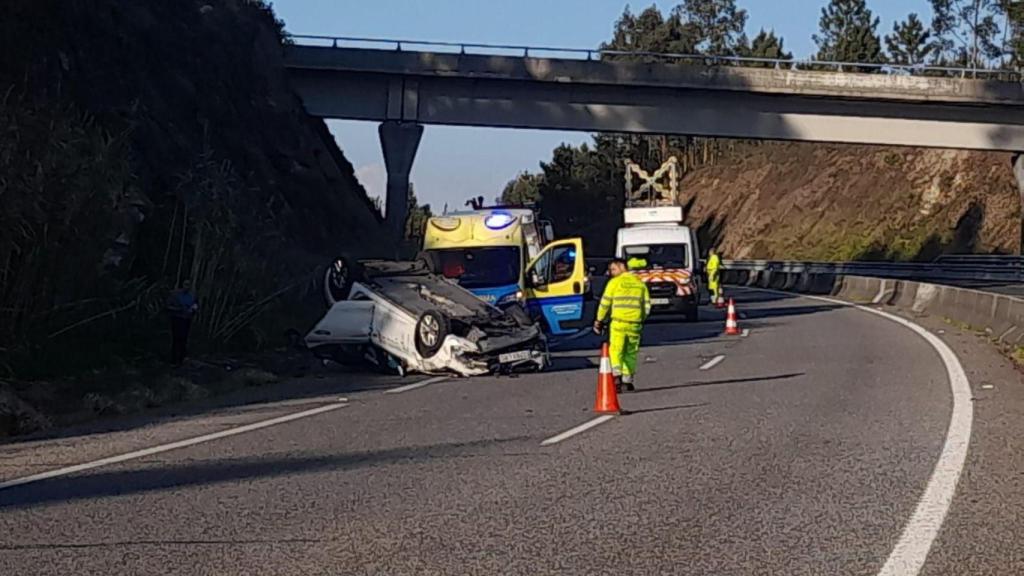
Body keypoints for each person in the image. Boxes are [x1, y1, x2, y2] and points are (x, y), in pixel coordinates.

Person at [593, 258, 651, 393]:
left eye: (613, 269)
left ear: (621, 267)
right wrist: (640, 318)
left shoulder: (614, 283)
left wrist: (599, 320)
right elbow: (647, 306)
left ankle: (617, 378)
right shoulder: (639, 284)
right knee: (631, 352)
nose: (611, 273)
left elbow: (605, 303)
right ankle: (628, 381)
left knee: (616, 350)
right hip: (635, 325)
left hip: (618, 323)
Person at [166, 279, 199, 365]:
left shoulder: (192, 296)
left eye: (188, 285)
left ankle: (181, 359)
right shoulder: (175, 295)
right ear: (182, 285)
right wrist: (179, 309)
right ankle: (173, 359)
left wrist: (193, 310)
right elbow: (168, 306)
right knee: (176, 338)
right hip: (177, 319)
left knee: (184, 339)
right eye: (185, 284)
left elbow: (195, 306)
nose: (187, 286)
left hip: (186, 319)